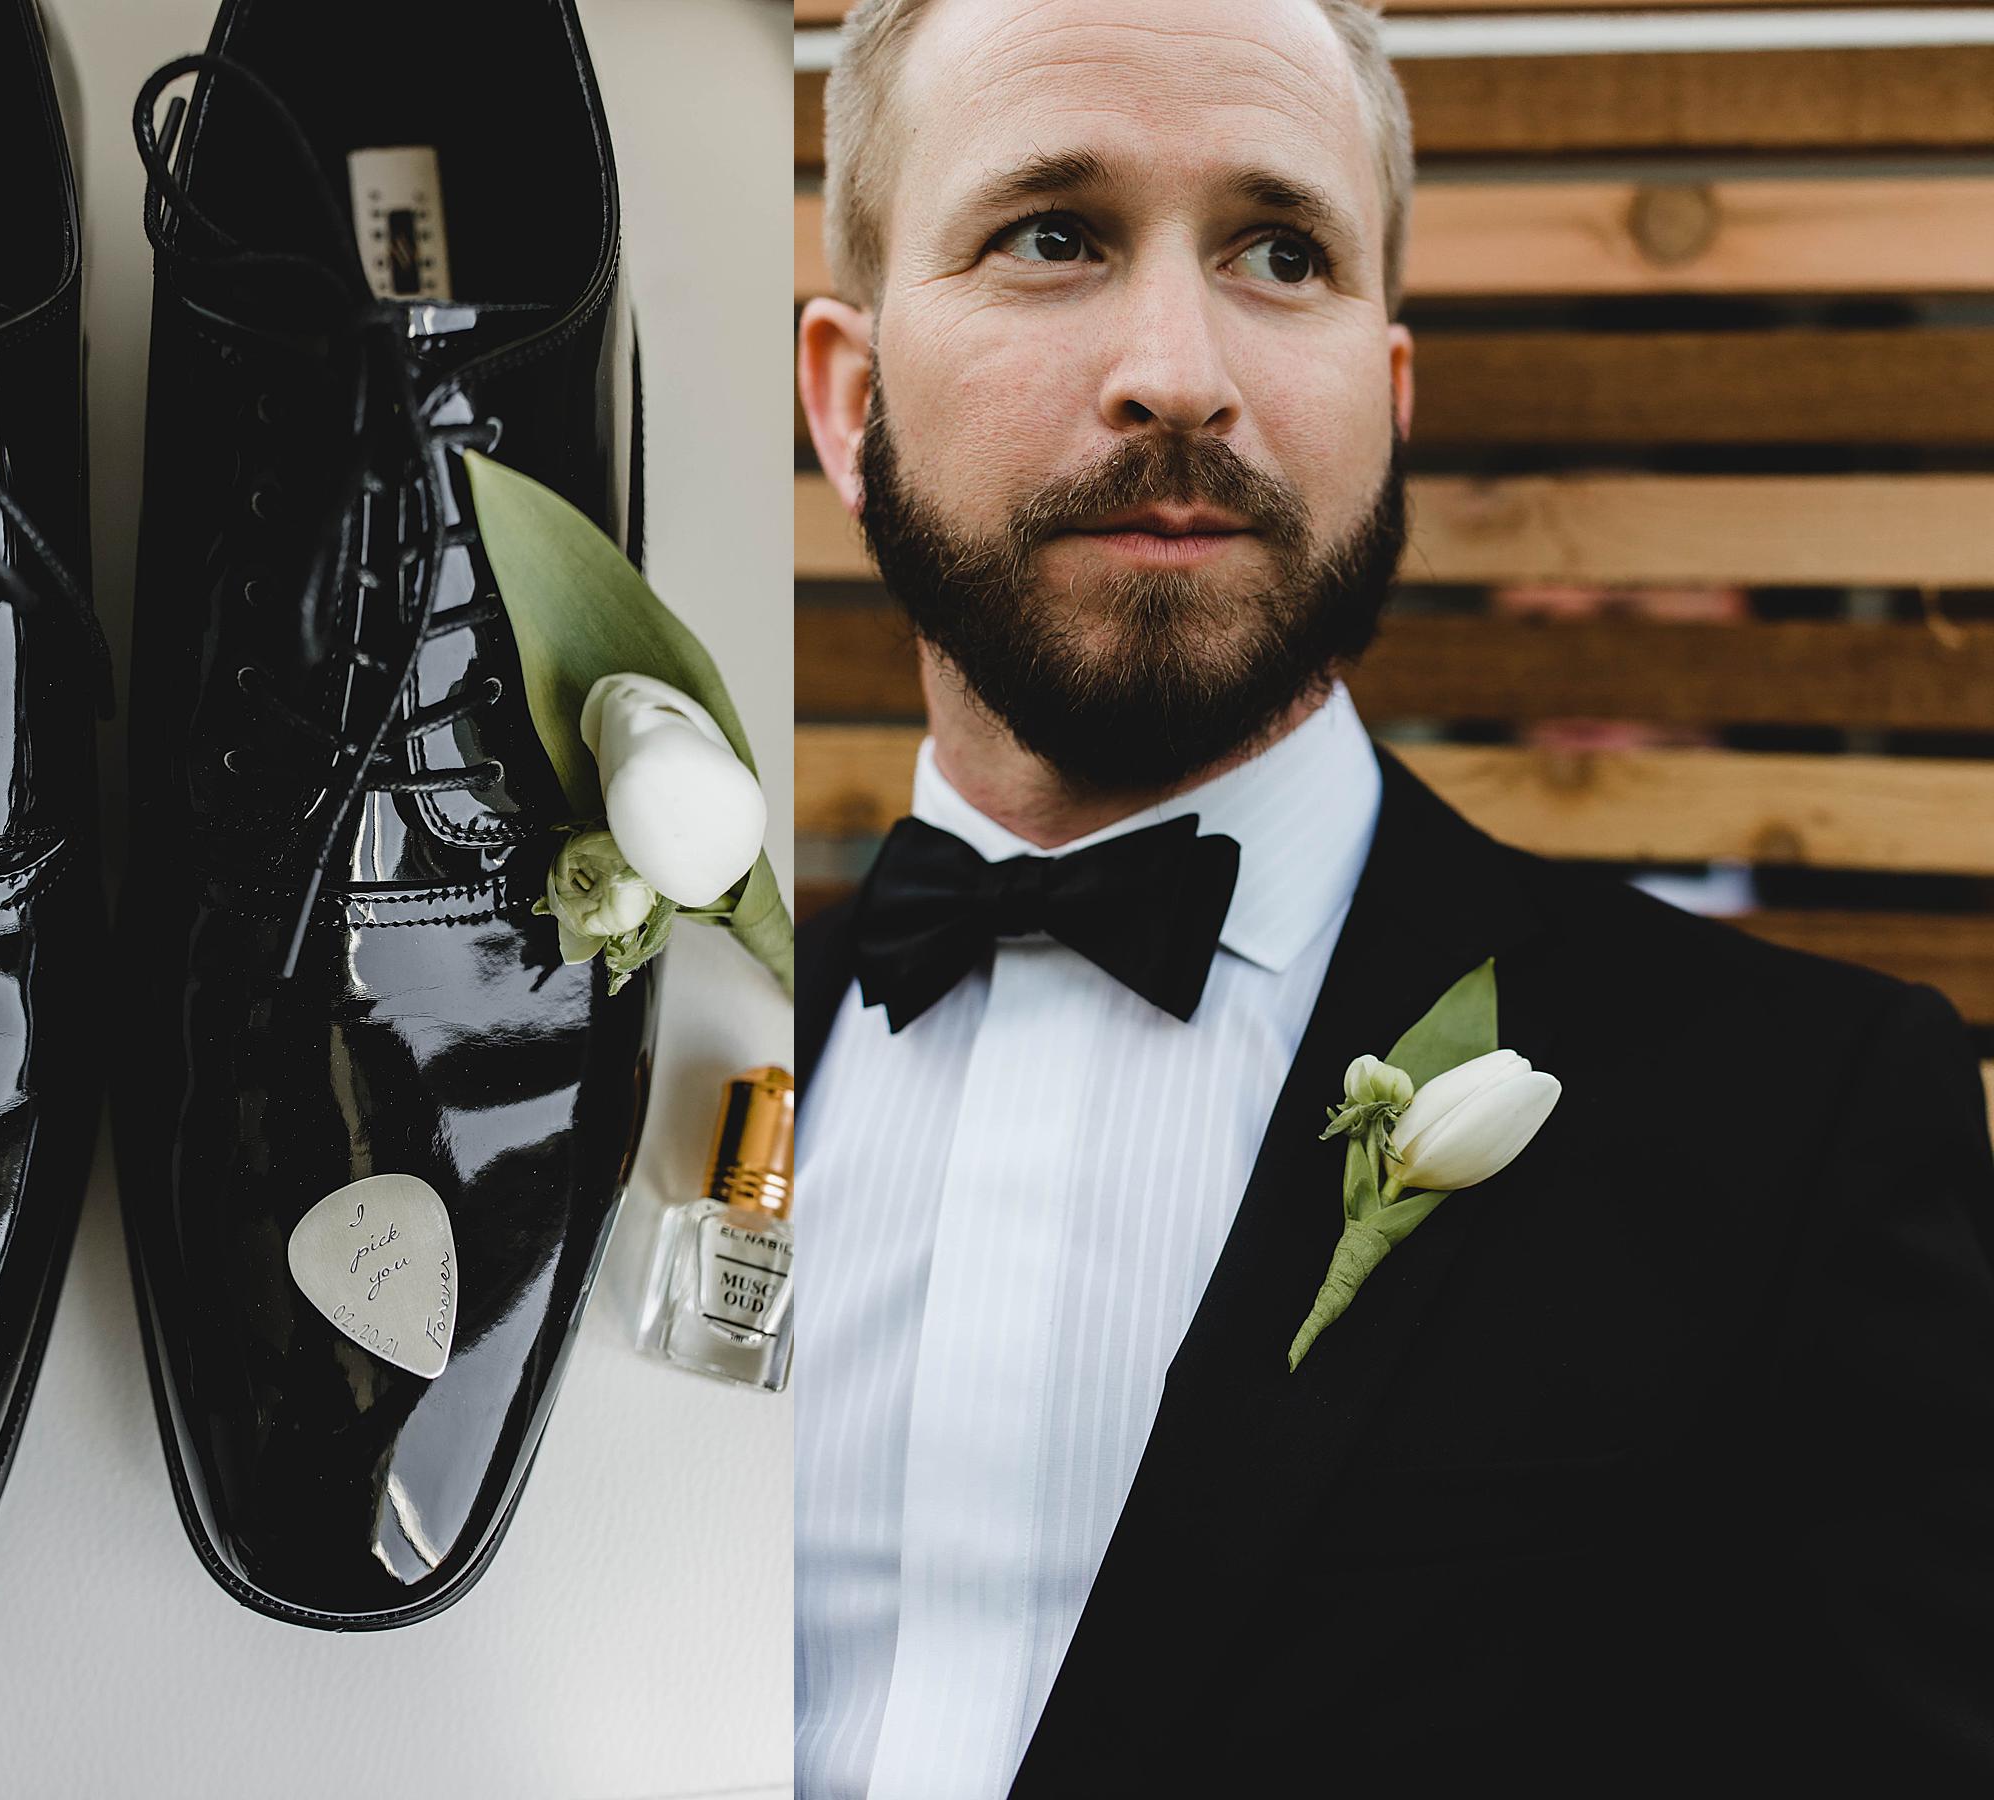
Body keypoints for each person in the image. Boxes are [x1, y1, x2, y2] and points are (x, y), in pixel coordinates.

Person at [791, 0, 1994, 1790]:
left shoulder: (1800, 1128)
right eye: (1055, 235)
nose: (1179, 369)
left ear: (1392, 395)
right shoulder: (638, 1055)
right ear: (852, 394)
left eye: (1283, 253)